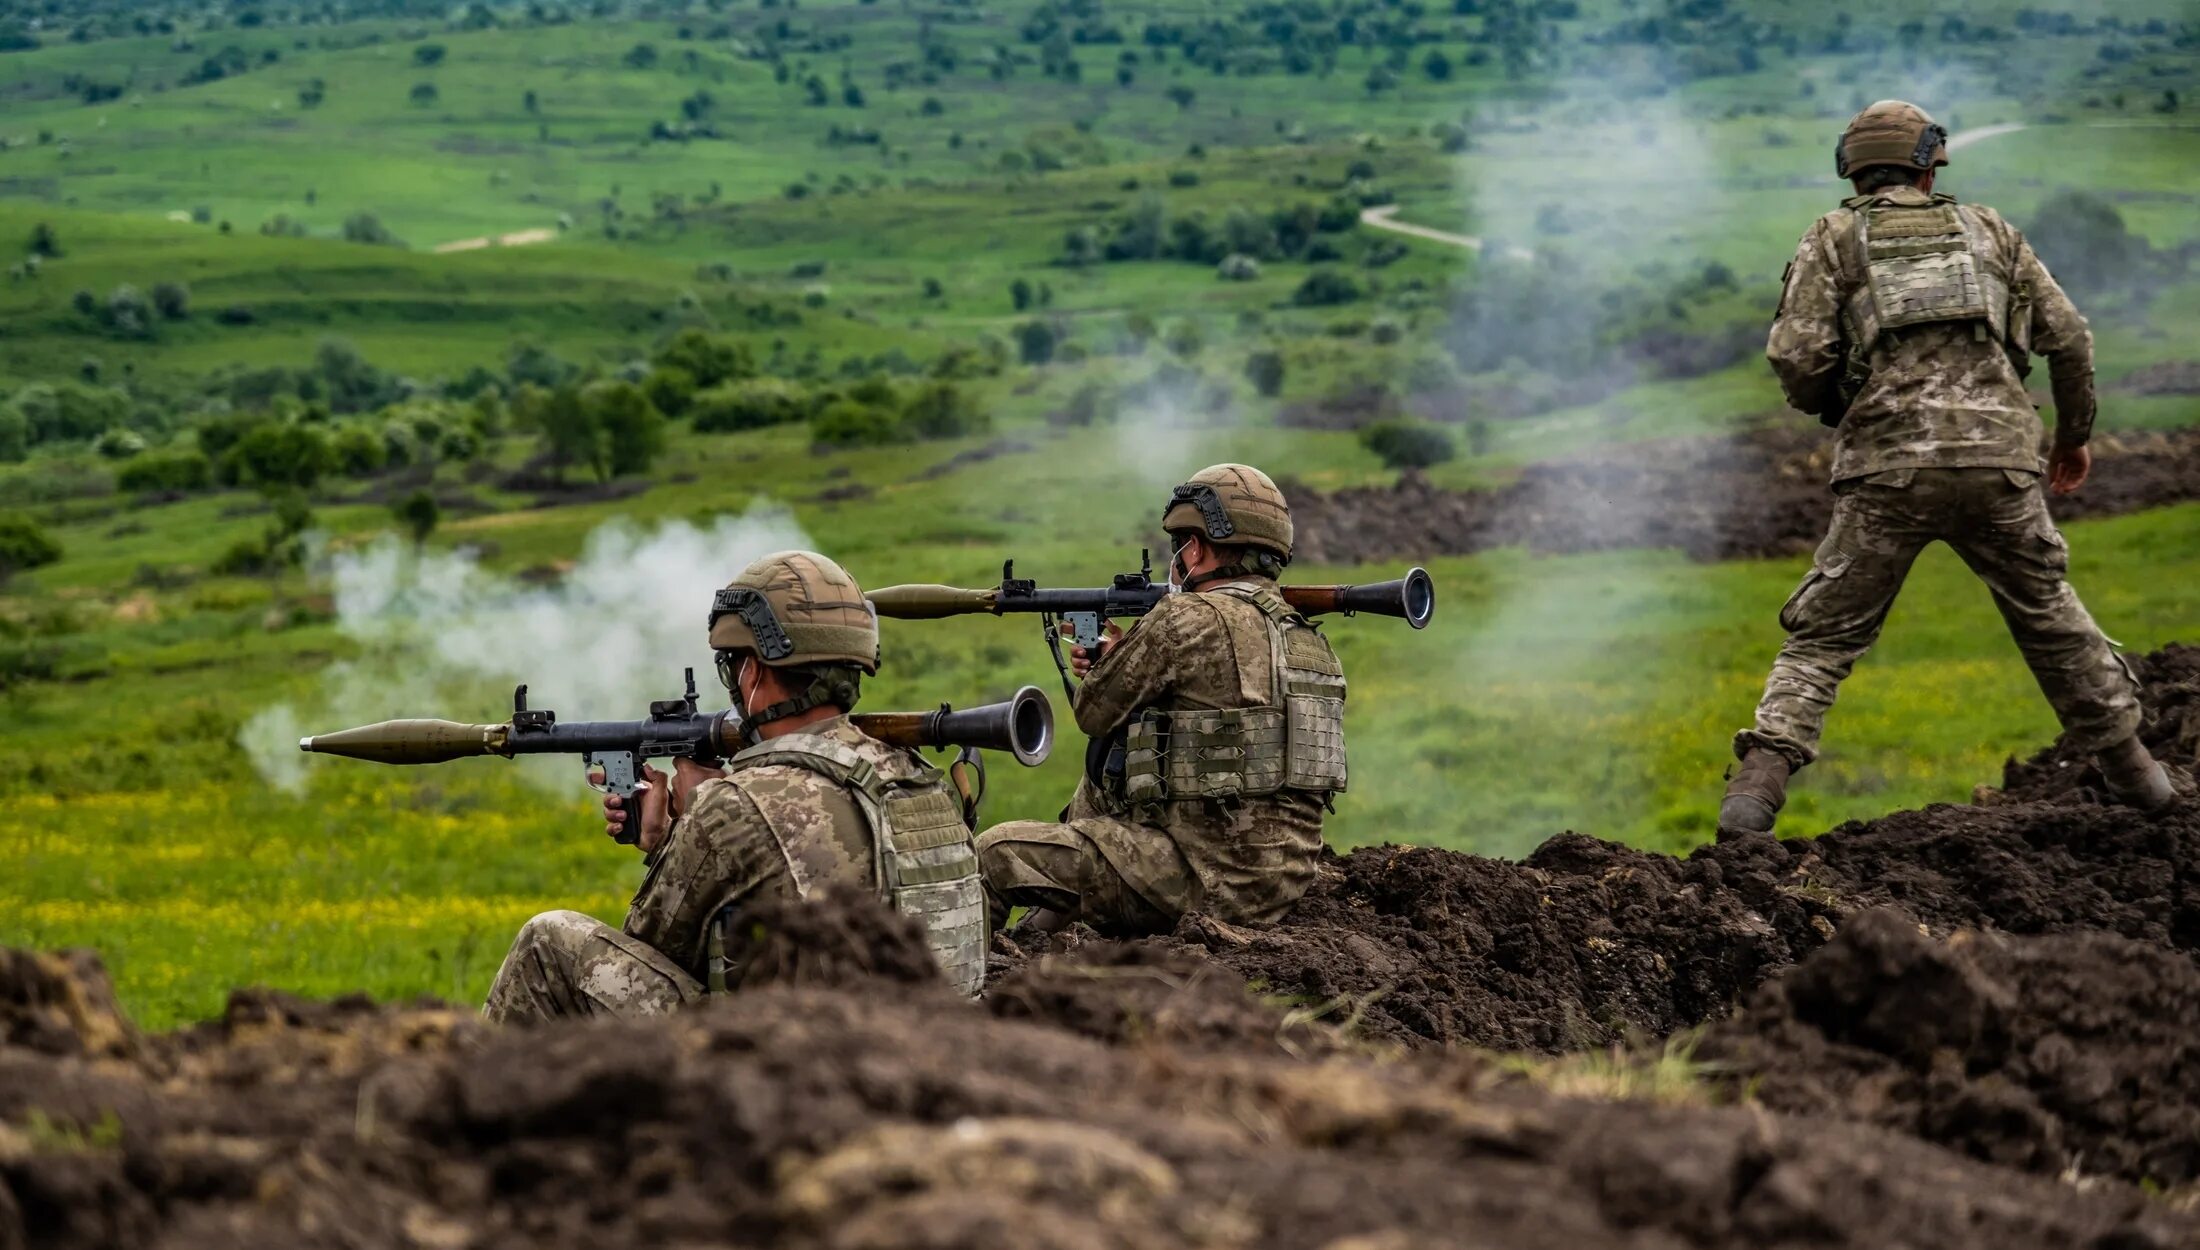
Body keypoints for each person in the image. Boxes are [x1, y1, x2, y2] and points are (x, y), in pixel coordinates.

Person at [1719, 100, 2174, 839]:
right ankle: (2142, 781)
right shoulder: (1990, 230)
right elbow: (2071, 340)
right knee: (2052, 621)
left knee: (1826, 638)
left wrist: (1842, 405)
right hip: (2001, 463)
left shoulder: (1833, 238)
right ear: (1931, 164)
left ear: (1855, 169)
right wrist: (2073, 438)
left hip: (1887, 470)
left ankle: (1753, 796)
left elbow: (1796, 355)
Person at [482, 550, 986, 1021]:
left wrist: (670, 840)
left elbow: (651, 949)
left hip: (812, 1073)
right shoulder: (918, 778)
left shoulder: (736, 807)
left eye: (733, 664)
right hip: (930, 1049)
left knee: (548, 943)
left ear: (752, 671)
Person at [977, 464, 1348, 935]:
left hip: (1200, 883)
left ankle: (960, 994)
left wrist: (1110, 661)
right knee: (1107, 782)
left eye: (1180, 545)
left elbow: (1094, 713)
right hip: (1280, 886)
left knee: (996, 853)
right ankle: (1044, 930)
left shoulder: (1185, 619)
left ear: (1194, 549)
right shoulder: (1312, 644)